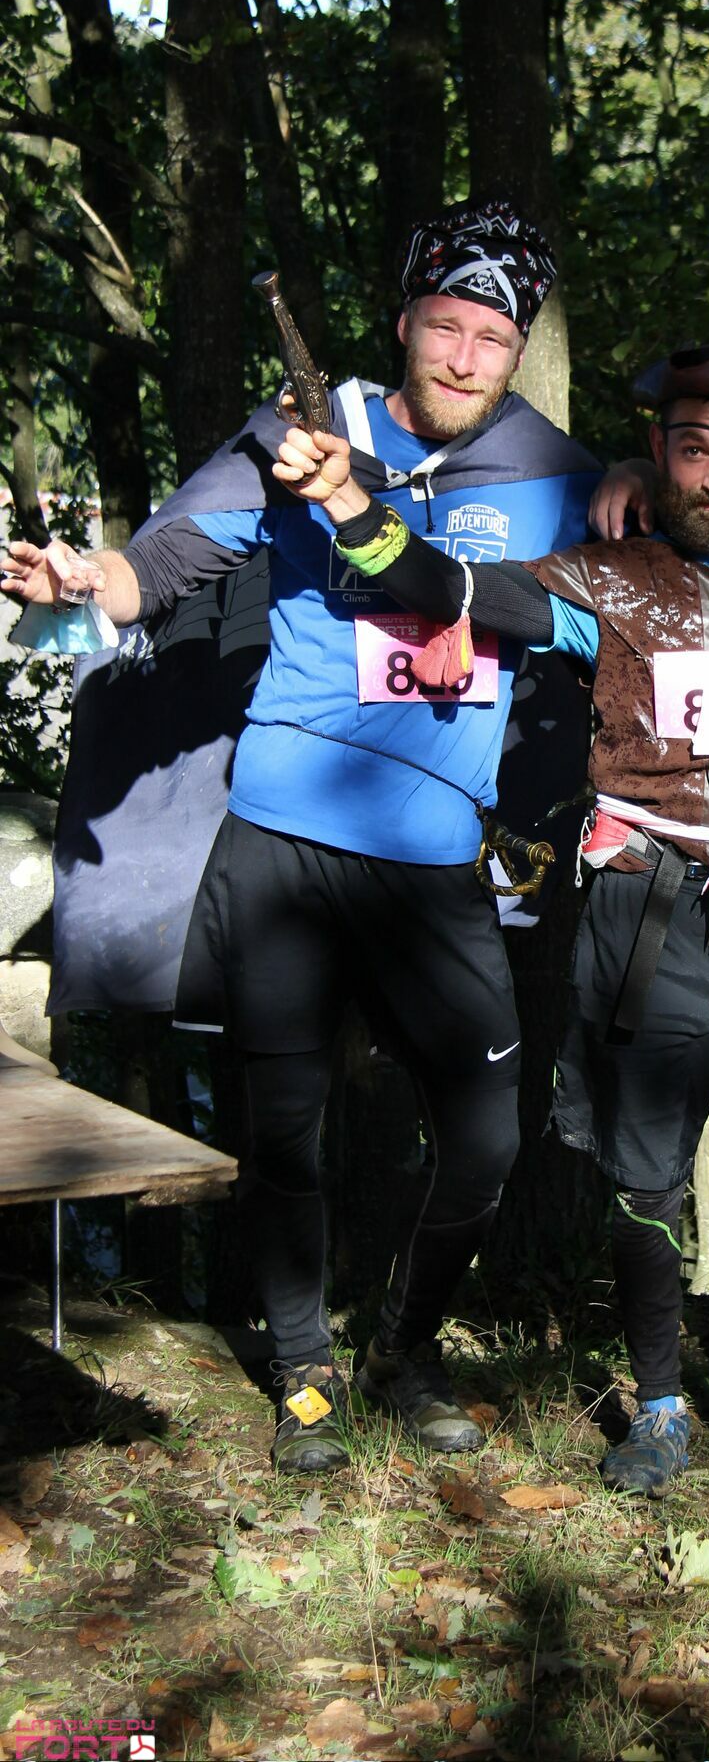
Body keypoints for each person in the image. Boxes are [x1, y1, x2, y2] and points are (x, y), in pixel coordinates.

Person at [1, 199, 601, 1477]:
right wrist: (84, 579)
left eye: (492, 339)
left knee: (486, 1134)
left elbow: (622, 605)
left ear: (518, 352)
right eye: (443, 326)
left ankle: (404, 1348)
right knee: (283, 1128)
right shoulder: (302, 429)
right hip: (279, 840)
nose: (462, 358)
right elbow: (163, 561)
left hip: (435, 858)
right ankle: (303, 1368)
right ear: (404, 321)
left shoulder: (556, 476)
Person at [270, 334, 709, 1524]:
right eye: (688, 447)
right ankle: (659, 1407)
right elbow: (444, 589)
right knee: (642, 1175)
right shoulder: (601, 583)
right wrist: (346, 501)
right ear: (655, 450)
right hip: (643, 915)